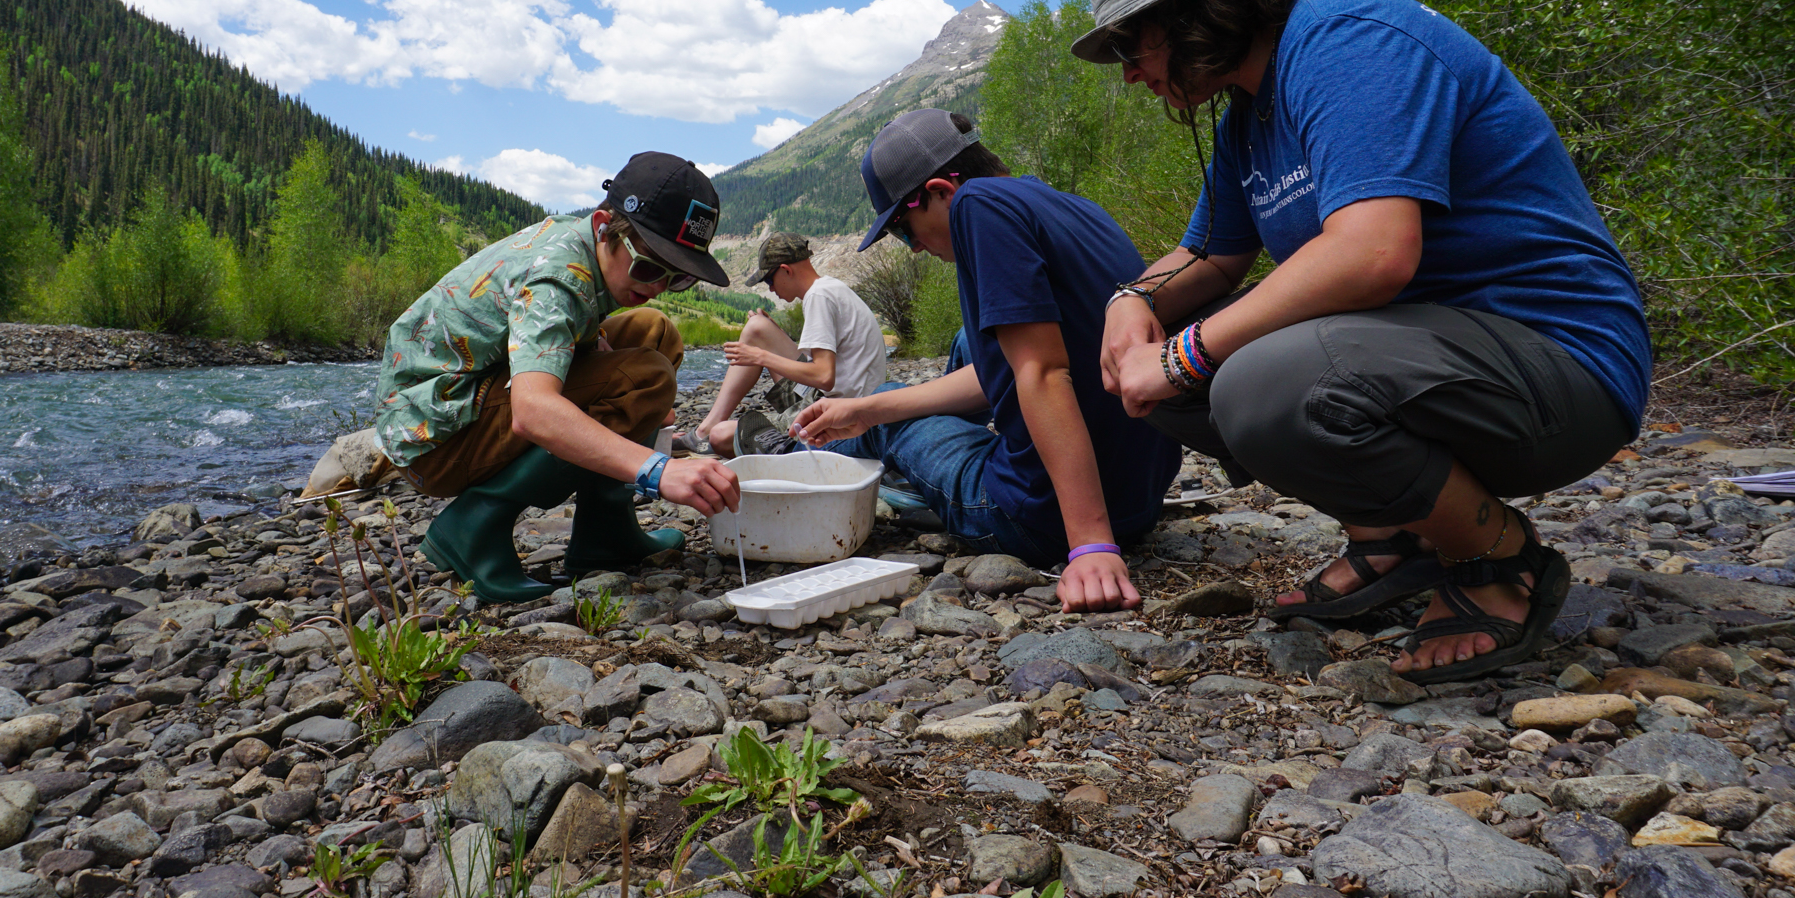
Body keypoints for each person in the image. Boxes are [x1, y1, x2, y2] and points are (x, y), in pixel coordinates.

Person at [1076, 0, 1649, 682]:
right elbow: (1207, 257)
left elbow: (1374, 252)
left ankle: (1499, 557)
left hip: (1561, 364)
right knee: (1167, 363)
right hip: (1437, 355)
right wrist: (1128, 303)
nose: (1131, 74)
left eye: (1131, 44)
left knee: (1246, 379)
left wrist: (1182, 357)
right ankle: (1395, 539)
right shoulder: (1248, 110)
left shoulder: (1344, 37)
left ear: (1194, 9)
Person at [790, 109, 1181, 613]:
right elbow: (1021, 365)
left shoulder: (977, 206)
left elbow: (1041, 371)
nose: (912, 249)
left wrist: (1091, 548)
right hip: (1139, 501)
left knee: (885, 418)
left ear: (940, 191)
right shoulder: (1068, 203)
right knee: (953, 351)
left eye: (905, 231)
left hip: (1038, 518)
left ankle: (797, 467)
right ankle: (887, 453)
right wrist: (865, 407)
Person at [305, 152, 742, 603]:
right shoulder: (557, 277)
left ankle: (604, 533)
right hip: (434, 441)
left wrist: (605, 363)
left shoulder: (581, 246)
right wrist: (656, 469)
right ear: (603, 227)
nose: (656, 287)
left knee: (654, 333)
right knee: (644, 378)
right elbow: (533, 413)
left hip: (467, 393)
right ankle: (475, 525)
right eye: (649, 267)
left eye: (677, 279)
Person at [689, 232, 890, 457]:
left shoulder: (818, 297)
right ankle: (704, 430)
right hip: (838, 406)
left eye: (769, 280)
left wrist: (760, 356)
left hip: (841, 423)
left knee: (722, 435)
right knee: (758, 328)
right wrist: (771, 337)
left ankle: (789, 449)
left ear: (786, 270)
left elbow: (824, 376)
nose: (771, 289)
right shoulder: (830, 288)